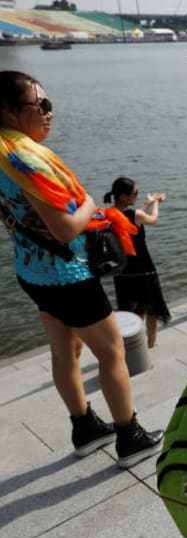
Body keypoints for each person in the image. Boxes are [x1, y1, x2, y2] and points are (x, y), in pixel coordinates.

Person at [0, 70, 162, 467]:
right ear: (7, 110)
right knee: (112, 352)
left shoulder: (3, 153)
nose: (50, 114)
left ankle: (85, 427)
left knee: (65, 350)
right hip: (68, 275)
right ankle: (130, 436)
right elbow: (65, 227)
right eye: (41, 106)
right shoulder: (25, 160)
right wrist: (91, 203)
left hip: (31, 271)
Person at [105, 177, 171, 348]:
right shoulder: (135, 215)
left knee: (132, 309)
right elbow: (153, 219)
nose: (137, 196)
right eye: (135, 194)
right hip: (143, 269)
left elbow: (133, 220)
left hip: (123, 271)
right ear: (123, 197)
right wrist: (156, 202)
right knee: (152, 308)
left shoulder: (110, 215)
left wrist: (147, 203)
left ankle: (134, 342)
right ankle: (151, 343)